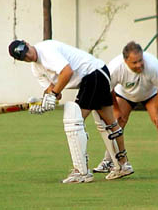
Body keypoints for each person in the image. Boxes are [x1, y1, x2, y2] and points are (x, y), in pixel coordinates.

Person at [8, 39, 134, 183]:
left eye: (27, 52)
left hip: (93, 74)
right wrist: (41, 102)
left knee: (74, 122)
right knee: (109, 123)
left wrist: (53, 94)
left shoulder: (46, 50)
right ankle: (123, 164)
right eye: (24, 57)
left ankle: (81, 172)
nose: (29, 56)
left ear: (27, 43)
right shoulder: (36, 69)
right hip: (96, 75)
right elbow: (54, 91)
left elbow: (67, 72)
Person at [93, 41, 158, 173]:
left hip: (151, 94)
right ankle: (108, 161)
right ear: (125, 60)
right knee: (116, 123)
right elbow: (108, 90)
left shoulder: (153, 65)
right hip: (125, 95)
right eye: (134, 63)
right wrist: (116, 109)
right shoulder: (115, 67)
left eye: (140, 60)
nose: (139, 65)